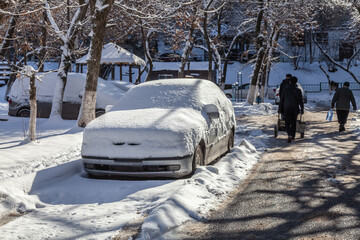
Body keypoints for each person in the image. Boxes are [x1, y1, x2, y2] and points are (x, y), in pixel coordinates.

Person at [279, 76, 304, 143]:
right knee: (293, 122)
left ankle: (289, 134)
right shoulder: (298, 90)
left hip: (286, 107)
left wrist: (280, 109)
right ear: (296, 82)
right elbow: (301, 100)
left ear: (290, 82)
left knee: (287, 122)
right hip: (295, 108)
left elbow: (282, 100)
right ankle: (292, 136)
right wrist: (302, 109)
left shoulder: (285, 89)